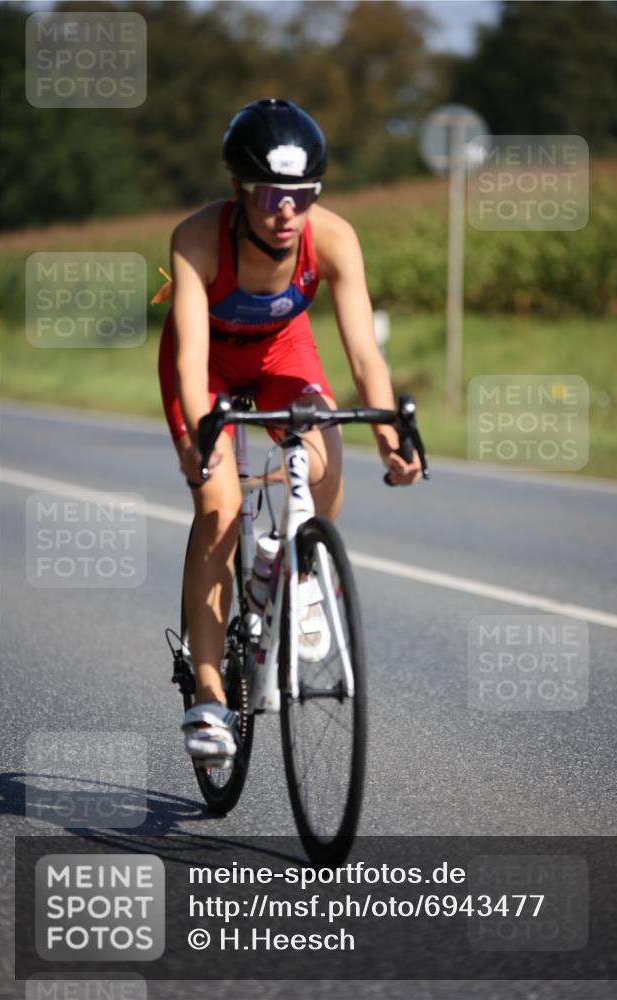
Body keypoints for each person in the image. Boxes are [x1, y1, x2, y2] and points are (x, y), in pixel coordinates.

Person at [157, 98, 421, 768]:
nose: (286, 211)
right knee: (219, 508)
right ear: (239, 189)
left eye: (302, 195)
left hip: (281, 352)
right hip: (208, 362)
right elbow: (189, 356)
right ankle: (210, 695)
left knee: (325, 454)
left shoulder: (332, 238)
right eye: (272, 194)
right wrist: (196, 438)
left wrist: (390, 437)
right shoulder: (196, 238)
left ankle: (291, 570)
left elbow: (364, 354)